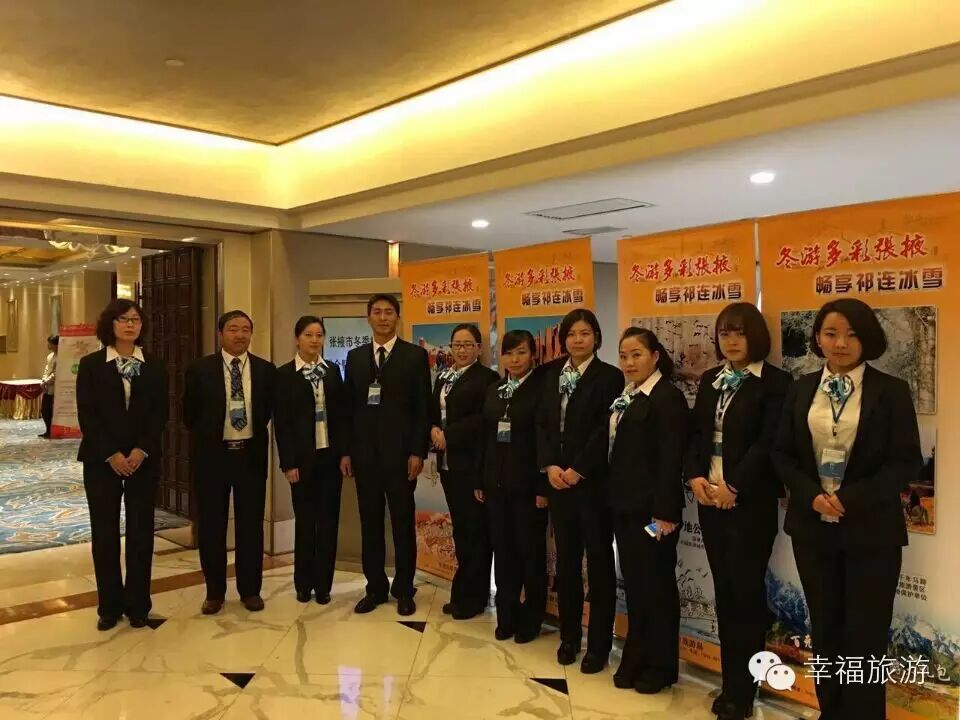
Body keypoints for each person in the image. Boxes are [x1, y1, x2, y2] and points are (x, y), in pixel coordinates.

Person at [773, 298, 921, 720]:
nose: (841, 343)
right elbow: (782, 453)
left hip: (871, 531)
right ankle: (831, 711)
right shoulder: (801, 388)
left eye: (852, 334)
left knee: (866, 634)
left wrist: (849, 498)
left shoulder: (891, 390)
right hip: (813, 528)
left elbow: (905, 461)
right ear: (818, 339)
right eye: (831, 333)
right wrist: (810, 494)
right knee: (825, 628)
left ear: (867, 339)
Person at [684, 303, 791, 720]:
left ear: (756, 337)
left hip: (749, 504)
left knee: (746, 595)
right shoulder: (712, 379)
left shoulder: (776, 382)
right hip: (710, 502)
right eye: (725, 333)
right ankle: (730, 681)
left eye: (740, 333)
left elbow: (769, 442)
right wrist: (695, 476)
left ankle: (744, 690)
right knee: (725, 594)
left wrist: (735, 486)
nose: (730, 341)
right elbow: (697, 433)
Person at [537, 308, 624, 673]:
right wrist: (550, 466)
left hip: (593, 485)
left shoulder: (610, 377)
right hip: (558, 483)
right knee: (567, 563)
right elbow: (542, 424)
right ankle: (569, 637)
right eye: (571, 334)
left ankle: (599, 646)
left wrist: (579, 469)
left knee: (599, 564)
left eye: (585, 333)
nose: (577, 340)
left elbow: (607, 428)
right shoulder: (551, 374)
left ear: (596, 338)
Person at [76, 300, 167, 631]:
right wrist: (111, 453)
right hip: (102, 461)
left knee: (142, 532)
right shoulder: (91, 365)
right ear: (110, 324)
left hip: (142, 459)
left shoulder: (154, 365)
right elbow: (87, 414)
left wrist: (141, 449)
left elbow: (160, 413)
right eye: (123, 319)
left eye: (136, 320)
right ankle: (109, 606)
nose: (130, 325)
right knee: (105, 533)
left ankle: (138, 605)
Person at [607, 327, 688, 694]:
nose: (629, 362)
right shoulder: (629, 395)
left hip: (655, 516)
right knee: (637, 585)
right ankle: (636, 657)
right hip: (625, 507)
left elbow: (671, 458)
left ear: (655, 356)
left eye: (636, 354)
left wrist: (665, 514)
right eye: (624, 356)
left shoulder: (667, 397)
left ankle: (661, 665)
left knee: (656, 585)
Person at [341, 294, 431, 616]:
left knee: (403, 524)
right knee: (370, 524)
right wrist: (346, 452)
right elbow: (348, 410)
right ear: (368, 318)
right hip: (364, 457)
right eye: (377, 312)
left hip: (401, 458)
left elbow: (423, 408)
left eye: (389, 312)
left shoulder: (415, 356)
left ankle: (404, 589)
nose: (383, 318)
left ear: (397, 317)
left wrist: (417, 451)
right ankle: (375, 588)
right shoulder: (355, 357)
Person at [183, 310, 277, 615]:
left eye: (245, 329)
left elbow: (267, 412)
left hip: (250, 455)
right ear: (220, 334)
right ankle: (214, 592)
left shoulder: (265, 370)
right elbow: (189, 415)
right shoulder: (199, 369)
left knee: (251, 525)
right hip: (213, 457)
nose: (240, 335)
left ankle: (250, 590)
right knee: (212, 525)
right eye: (233, 329)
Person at [476, 329, 549, 643]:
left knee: (530, 555)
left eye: (521, 352)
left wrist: (543, 487)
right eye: (508, 353)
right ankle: (506, 615)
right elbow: (485, 437)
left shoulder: (542, 390)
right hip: (496, 485)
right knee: (503, 553)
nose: (515, 359)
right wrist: (481, 479)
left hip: (529, 488)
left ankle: (531, 619)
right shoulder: (495, 389)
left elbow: (546, 441)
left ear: (533, 355)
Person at [274, 316, 346, 605]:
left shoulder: (332, 371)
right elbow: (282, 424)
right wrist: (288, 463)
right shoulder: (284, 375)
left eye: (319, 335)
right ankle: (303, 583)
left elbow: (341, 417)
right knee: (305, 523)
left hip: (330, 458)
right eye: (308, 335)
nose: (314, 340)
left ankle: (324, 584)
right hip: (301, 462)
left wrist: (344, 453)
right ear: (297, 339)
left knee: (328, 523)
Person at [430, 323, 499, 619]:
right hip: (448, 465)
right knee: (461, 530)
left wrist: (450, 434)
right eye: (456, 344)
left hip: (473, 465)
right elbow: (434, 411)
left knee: (475, 532)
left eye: (468, 344)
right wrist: (433, 428)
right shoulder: (444, 376)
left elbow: (485, 420)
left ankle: (474, 597)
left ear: (479, 348)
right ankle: (462, 592)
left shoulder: (487, 378)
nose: (461, 349)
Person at [39, 334, 59, 438]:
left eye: (50, 343)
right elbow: (46, 369)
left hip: (55, 389)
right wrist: (43, 380)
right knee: (44, 411)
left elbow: (56, 373)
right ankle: (48, 430)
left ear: (56, 344)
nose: (48, 345)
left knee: (50, 411)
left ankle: (51, 431)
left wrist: (46, 382)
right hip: (47, 388)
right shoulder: (50, 356)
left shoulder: (61, 357)